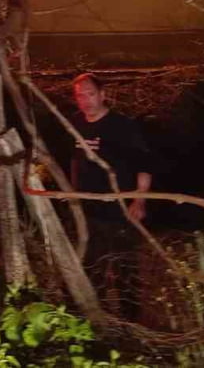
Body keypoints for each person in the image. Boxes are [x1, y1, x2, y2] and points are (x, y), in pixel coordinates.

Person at [69, 72, 153, 315]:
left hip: (120, 209)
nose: (85, 100)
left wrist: (139, 201)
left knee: (124, 265)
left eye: (91, 94)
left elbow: (144, 164)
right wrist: (74, 194)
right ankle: (98, 317)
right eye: (80, 96)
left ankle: (131, 320)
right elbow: (75, 161)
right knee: (93, 264)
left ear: (103, 95)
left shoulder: (122, 127)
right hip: (88, 209)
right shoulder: (76, 124)